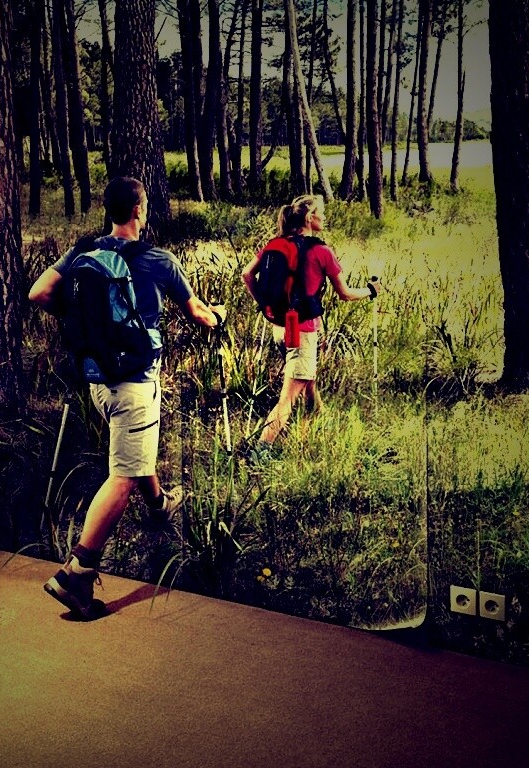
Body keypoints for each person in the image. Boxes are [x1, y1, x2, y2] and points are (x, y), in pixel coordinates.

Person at [28, 176, 226, 619]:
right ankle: (77, 572)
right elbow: (197, 312)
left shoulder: (82, 251)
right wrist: (217, 317)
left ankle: (159, 505)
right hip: (134, 383)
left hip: (97, 380)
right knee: (123, 476)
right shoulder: (159, 259)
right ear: (139, 210)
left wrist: (78, 317)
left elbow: (38, 292)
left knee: (134, 448)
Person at [241, 194, 380, 462]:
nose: (324, 217)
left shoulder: (275, 244)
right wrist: (371, 291)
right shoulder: (321, 251)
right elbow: (345, 293)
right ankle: (259, 452)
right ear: (309, 218)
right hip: (302, 331)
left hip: (280, 327)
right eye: (321, 213)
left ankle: (319, 420)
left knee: (308, 379)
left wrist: (264, 305)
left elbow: (247, 274)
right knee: (288, 398)